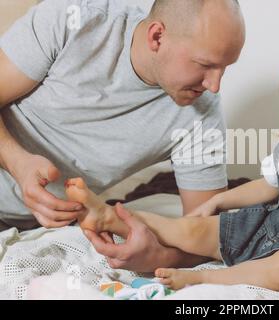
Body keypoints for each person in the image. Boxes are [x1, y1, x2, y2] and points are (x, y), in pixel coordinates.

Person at [65, 49, 279, 292]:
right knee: (191, 229)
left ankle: (205, 277)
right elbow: (268, 187)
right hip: (265, 227)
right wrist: (217, 203)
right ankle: (109, 215)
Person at [0, 0, 245, 271]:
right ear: (157, 36)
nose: (214, 85)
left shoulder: (201, 115)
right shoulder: (73, 22)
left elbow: (210, 232)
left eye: (225, 67)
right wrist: (18, 163)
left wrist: (161, 258)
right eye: (204, 64)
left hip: (29, 227)